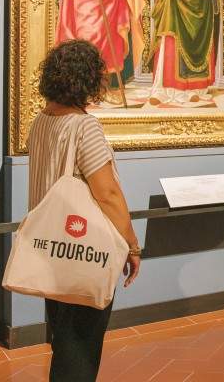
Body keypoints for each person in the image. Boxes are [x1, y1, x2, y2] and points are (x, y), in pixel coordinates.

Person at [28, 40, 141, 381]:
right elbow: (106, 193)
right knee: (79, 343)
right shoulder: (83, 126)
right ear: (89, 80)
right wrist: (131, 244)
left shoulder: (41, 121)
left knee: (63, 339)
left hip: (51, 245)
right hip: (82, 247)